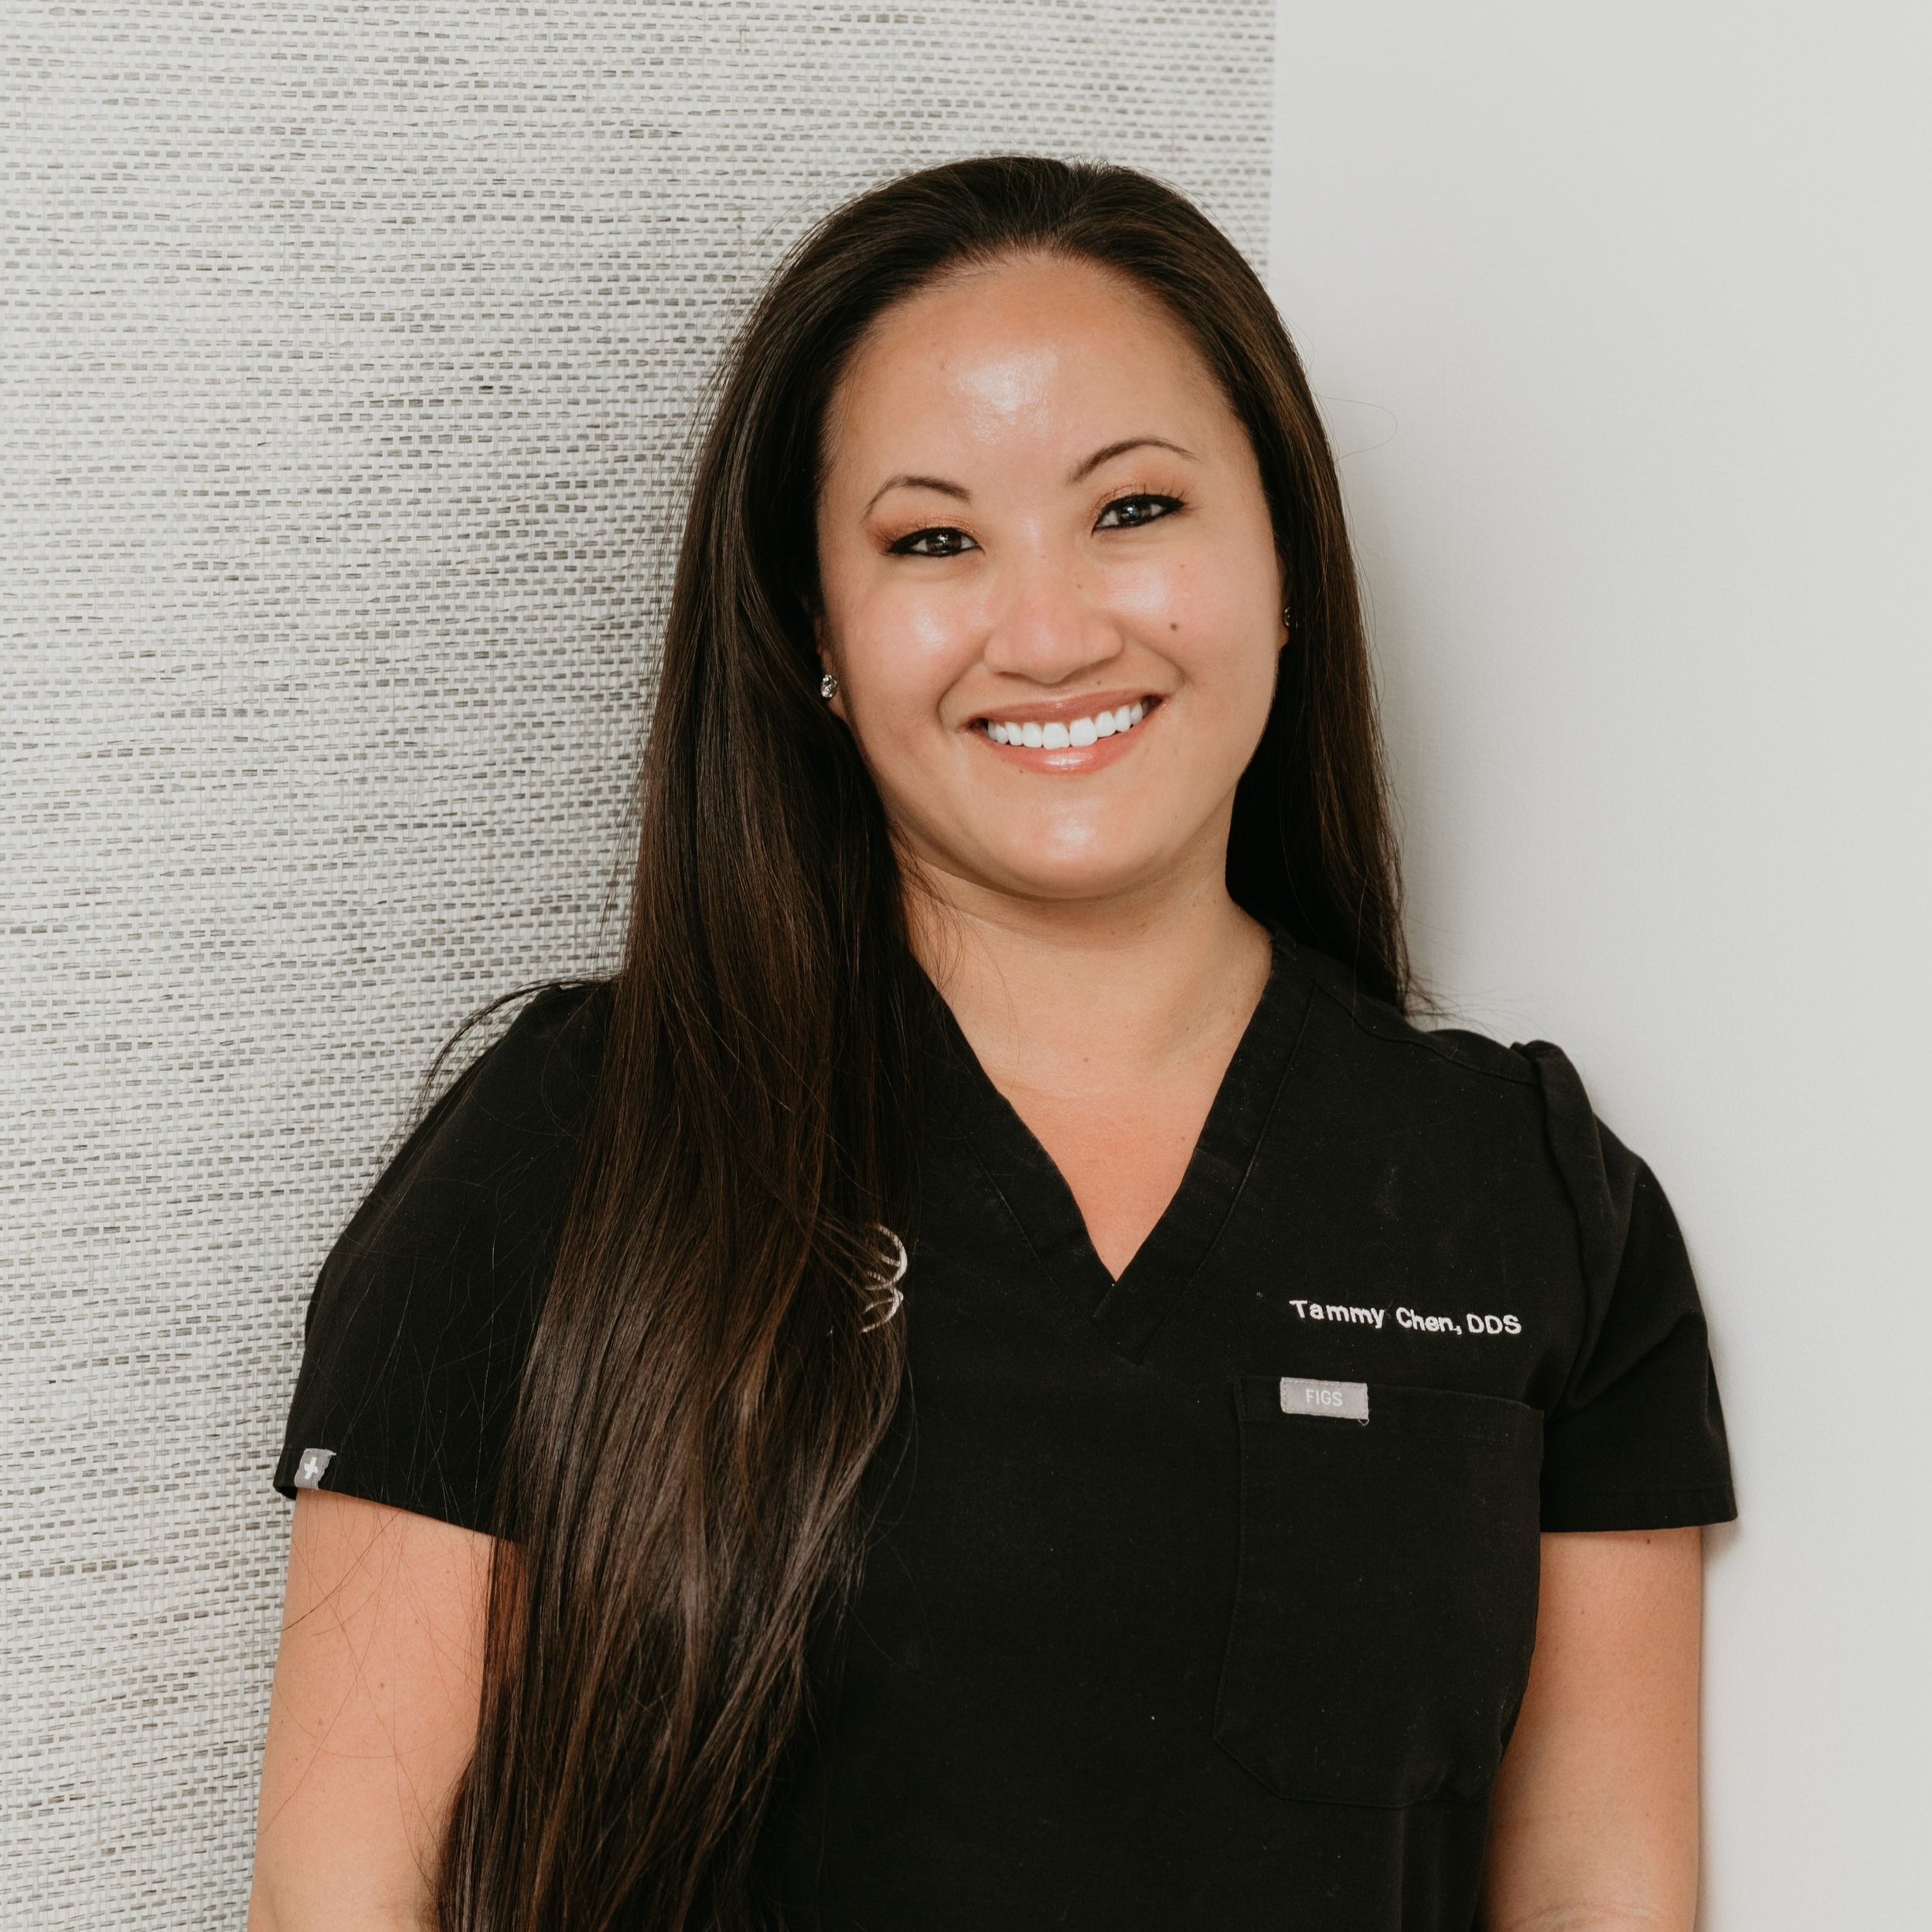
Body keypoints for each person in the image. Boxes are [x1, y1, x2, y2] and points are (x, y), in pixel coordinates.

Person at [247, 156, 1736, 1932]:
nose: (1047, 630)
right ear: (817, 636)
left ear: (1281, 564)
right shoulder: (576, 1143)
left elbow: (1596, 1892)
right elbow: (339, 1898)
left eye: (1132, 510)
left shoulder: (1536, 1203)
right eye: (932, 538)